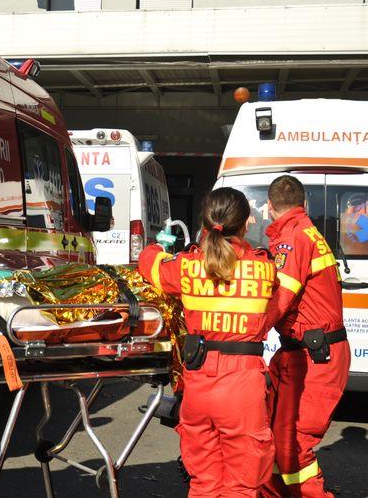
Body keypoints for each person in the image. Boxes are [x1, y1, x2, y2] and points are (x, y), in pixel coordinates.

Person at [138, 187, 281, 497]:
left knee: (203, 482)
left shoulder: (188, 266)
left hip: (198, 384)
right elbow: (275, 308)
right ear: (246, 224)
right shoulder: (265, 268)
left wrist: (158, 248)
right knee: (241, 485)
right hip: (242, 387)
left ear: (204, 224)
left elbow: (149, 266)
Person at [261, 175, 350, 498]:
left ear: (269, 207)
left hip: (315, 357)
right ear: (305, 204)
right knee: (272, 437)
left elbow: (281, 298)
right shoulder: (303, 232)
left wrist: (243, 335)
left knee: (293, 444)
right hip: (300, 353)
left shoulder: (293, 238)